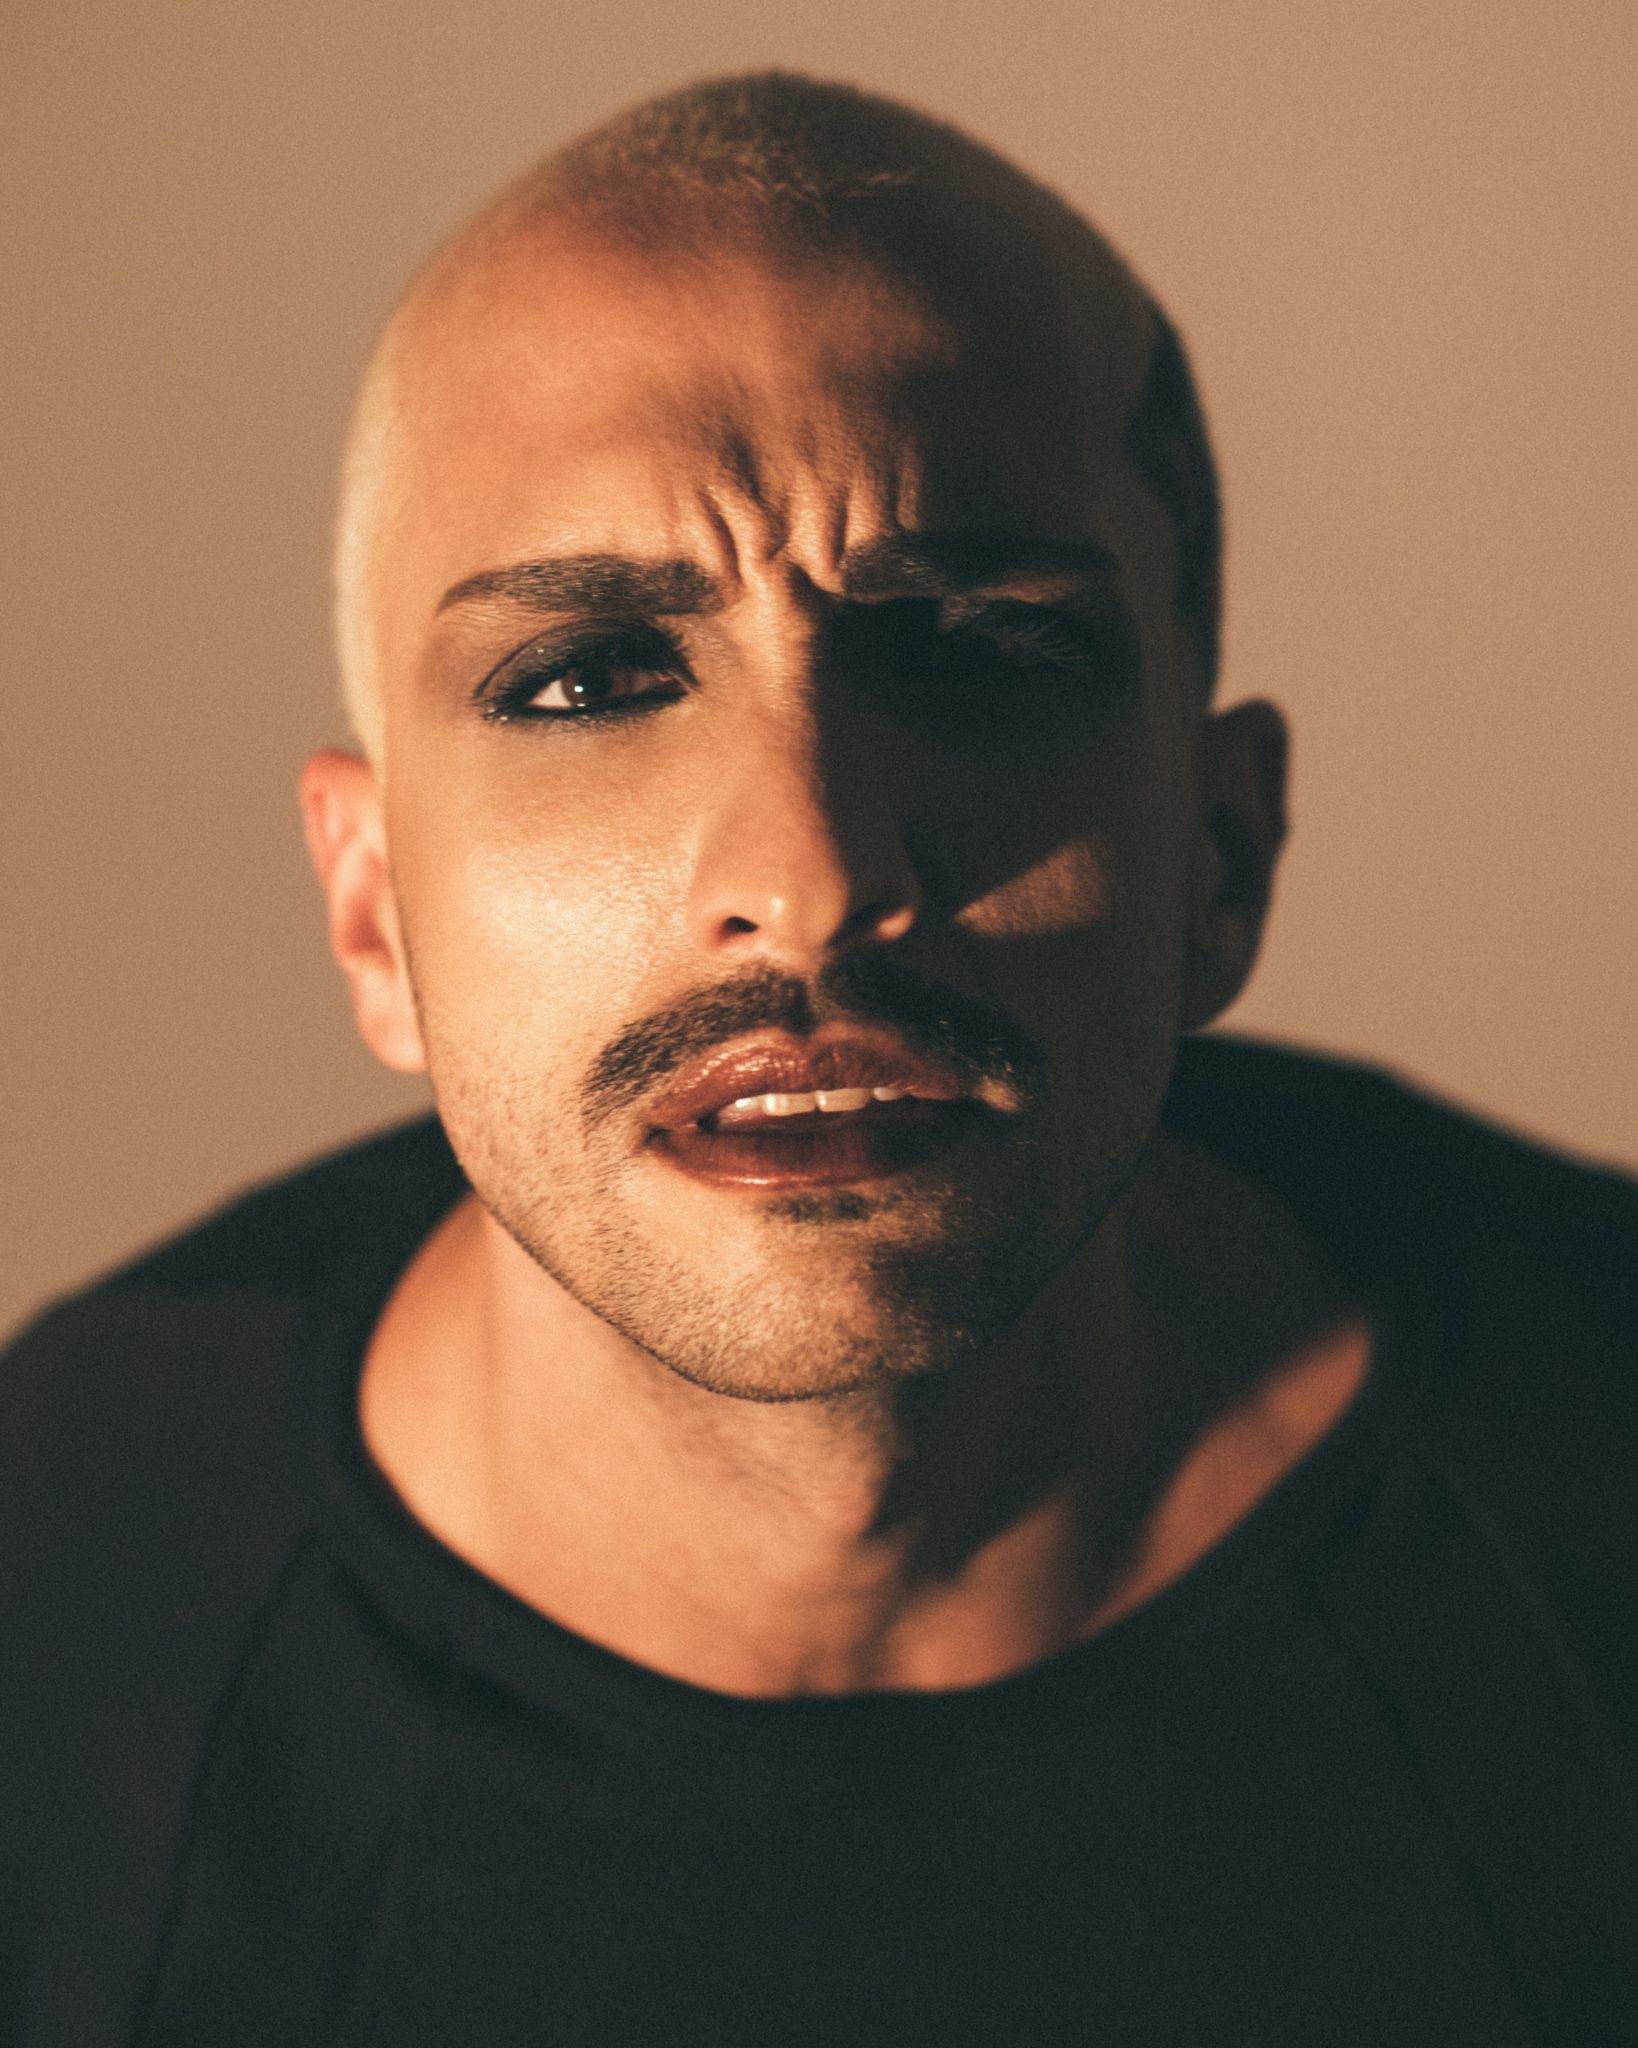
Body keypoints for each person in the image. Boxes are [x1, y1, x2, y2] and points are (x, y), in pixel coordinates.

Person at [3, 70, 1634, 2048]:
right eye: (584, 680)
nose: (811, 876)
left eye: (981, 650)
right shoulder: (52, 1669)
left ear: (1220, 853)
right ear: (374, 916)